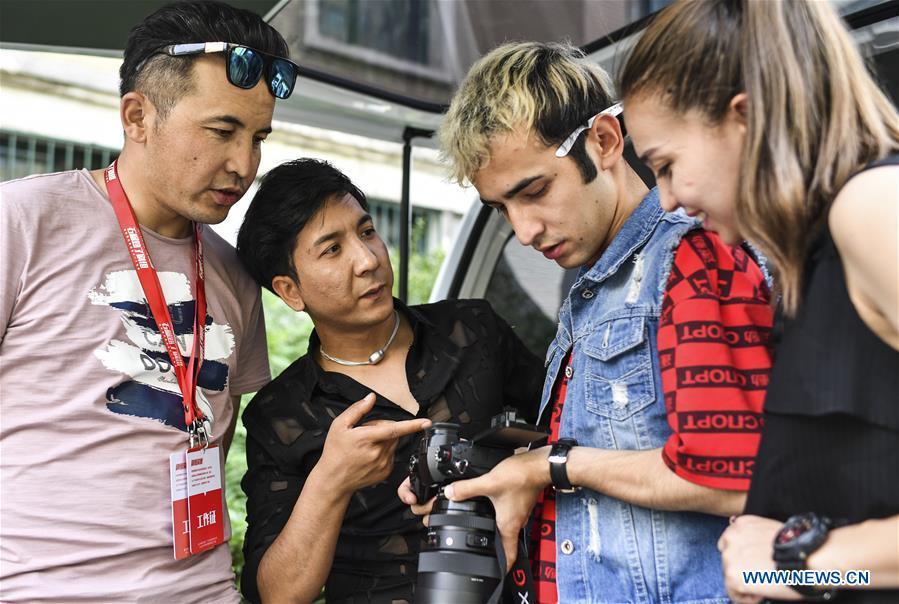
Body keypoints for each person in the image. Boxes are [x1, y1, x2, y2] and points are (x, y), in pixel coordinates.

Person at [400, 41, 775, 603]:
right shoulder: (589, 293)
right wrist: (500, 477)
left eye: (534, 191)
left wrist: (545, 468)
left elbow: (730, 473)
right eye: (502, 208)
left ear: (603, 141)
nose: (523, 231)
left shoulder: (692, 260)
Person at [0, 2, 298, 601]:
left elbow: (210, 435)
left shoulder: (235, 273)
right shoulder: (25, 220)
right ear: (137, 117)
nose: (244, 165)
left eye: (258, 137)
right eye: (222, 131)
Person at [619, 1, 899, 602]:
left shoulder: (870, 208)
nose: (665, 201)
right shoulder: (812, 258)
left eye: (666, 166)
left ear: (744, 117)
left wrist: (797, 561)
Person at [235, 158, 544, 603]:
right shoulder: (281, 413)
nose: (367, 260)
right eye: (332, 249)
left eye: (366, 231)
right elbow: (276, 595)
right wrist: (331, 481)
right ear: (290, 291)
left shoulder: (474, 331)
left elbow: (572, 430)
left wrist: (520, 468)